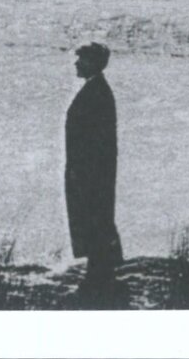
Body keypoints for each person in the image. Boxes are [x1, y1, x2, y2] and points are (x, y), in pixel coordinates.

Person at [65, 41, 122, 302]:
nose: (76, 64)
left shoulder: (96, 92)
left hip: (91, 171)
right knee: (95, 217)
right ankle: (101, 268)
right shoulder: (96, 89)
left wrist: (83, 171)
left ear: (92, 63)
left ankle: (100, 272)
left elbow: (95, 140)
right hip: (90, 169)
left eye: (81, 60)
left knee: (94, 217)